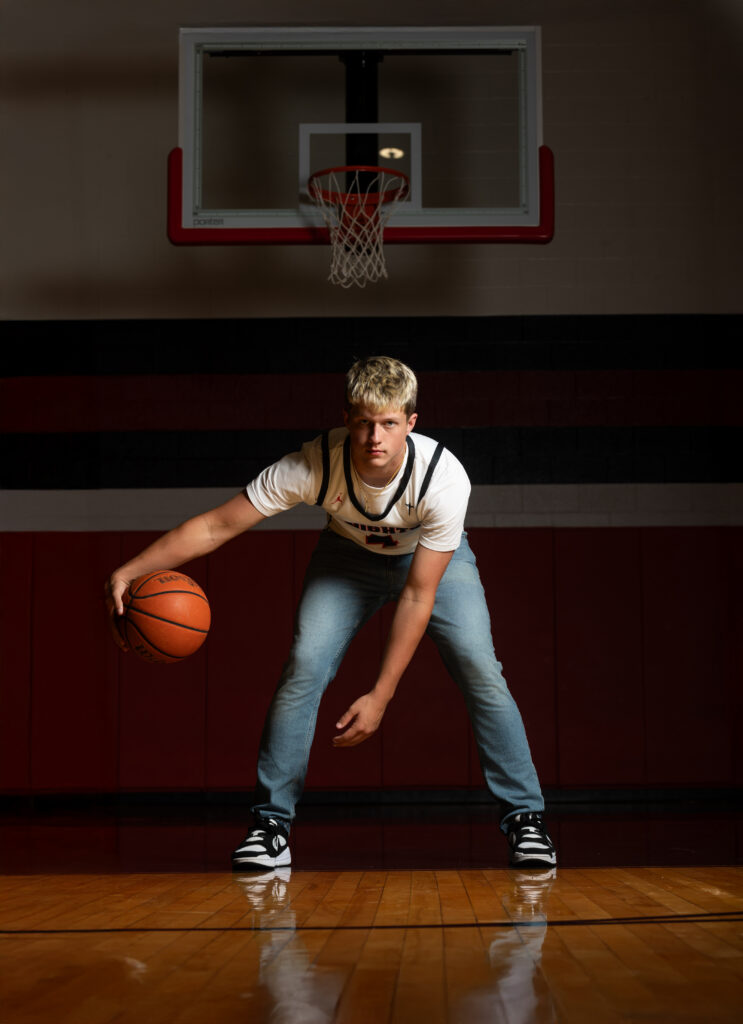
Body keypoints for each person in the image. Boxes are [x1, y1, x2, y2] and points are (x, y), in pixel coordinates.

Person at [106, 356, 556, 871]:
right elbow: (216, 527)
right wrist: (131, 569)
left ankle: (527, 821)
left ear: (411, 422)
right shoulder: (313, 464)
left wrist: (381, 694)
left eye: (389, 423)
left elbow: (417, 593)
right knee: (304, 665)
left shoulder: (444, 479)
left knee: (482, 670)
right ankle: (270, 825)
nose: (375, 437)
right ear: (346, 418)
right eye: (364, 421)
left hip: (431, 563)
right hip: (347, 559)